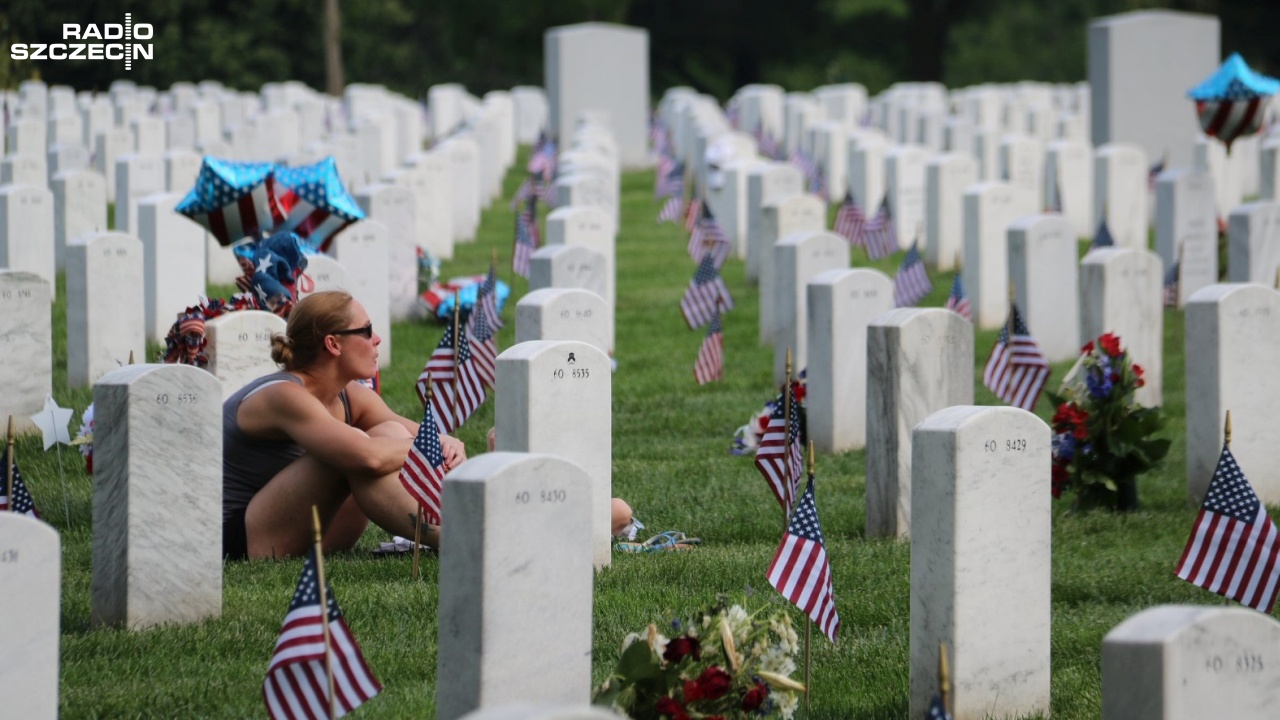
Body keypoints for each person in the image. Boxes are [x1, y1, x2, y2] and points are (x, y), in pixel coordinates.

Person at [222, 291, 465, 560]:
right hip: (247, 538)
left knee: (390, 433)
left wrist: (447, 445)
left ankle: (467, 522)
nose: (377, 338)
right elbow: (369, 457)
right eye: (367, 331)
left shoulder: (349, 395)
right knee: (356, 450)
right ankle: (458, 538)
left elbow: (417, 437)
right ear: (333, 344)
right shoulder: (284, 395)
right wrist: (431, 444)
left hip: (304, 527)